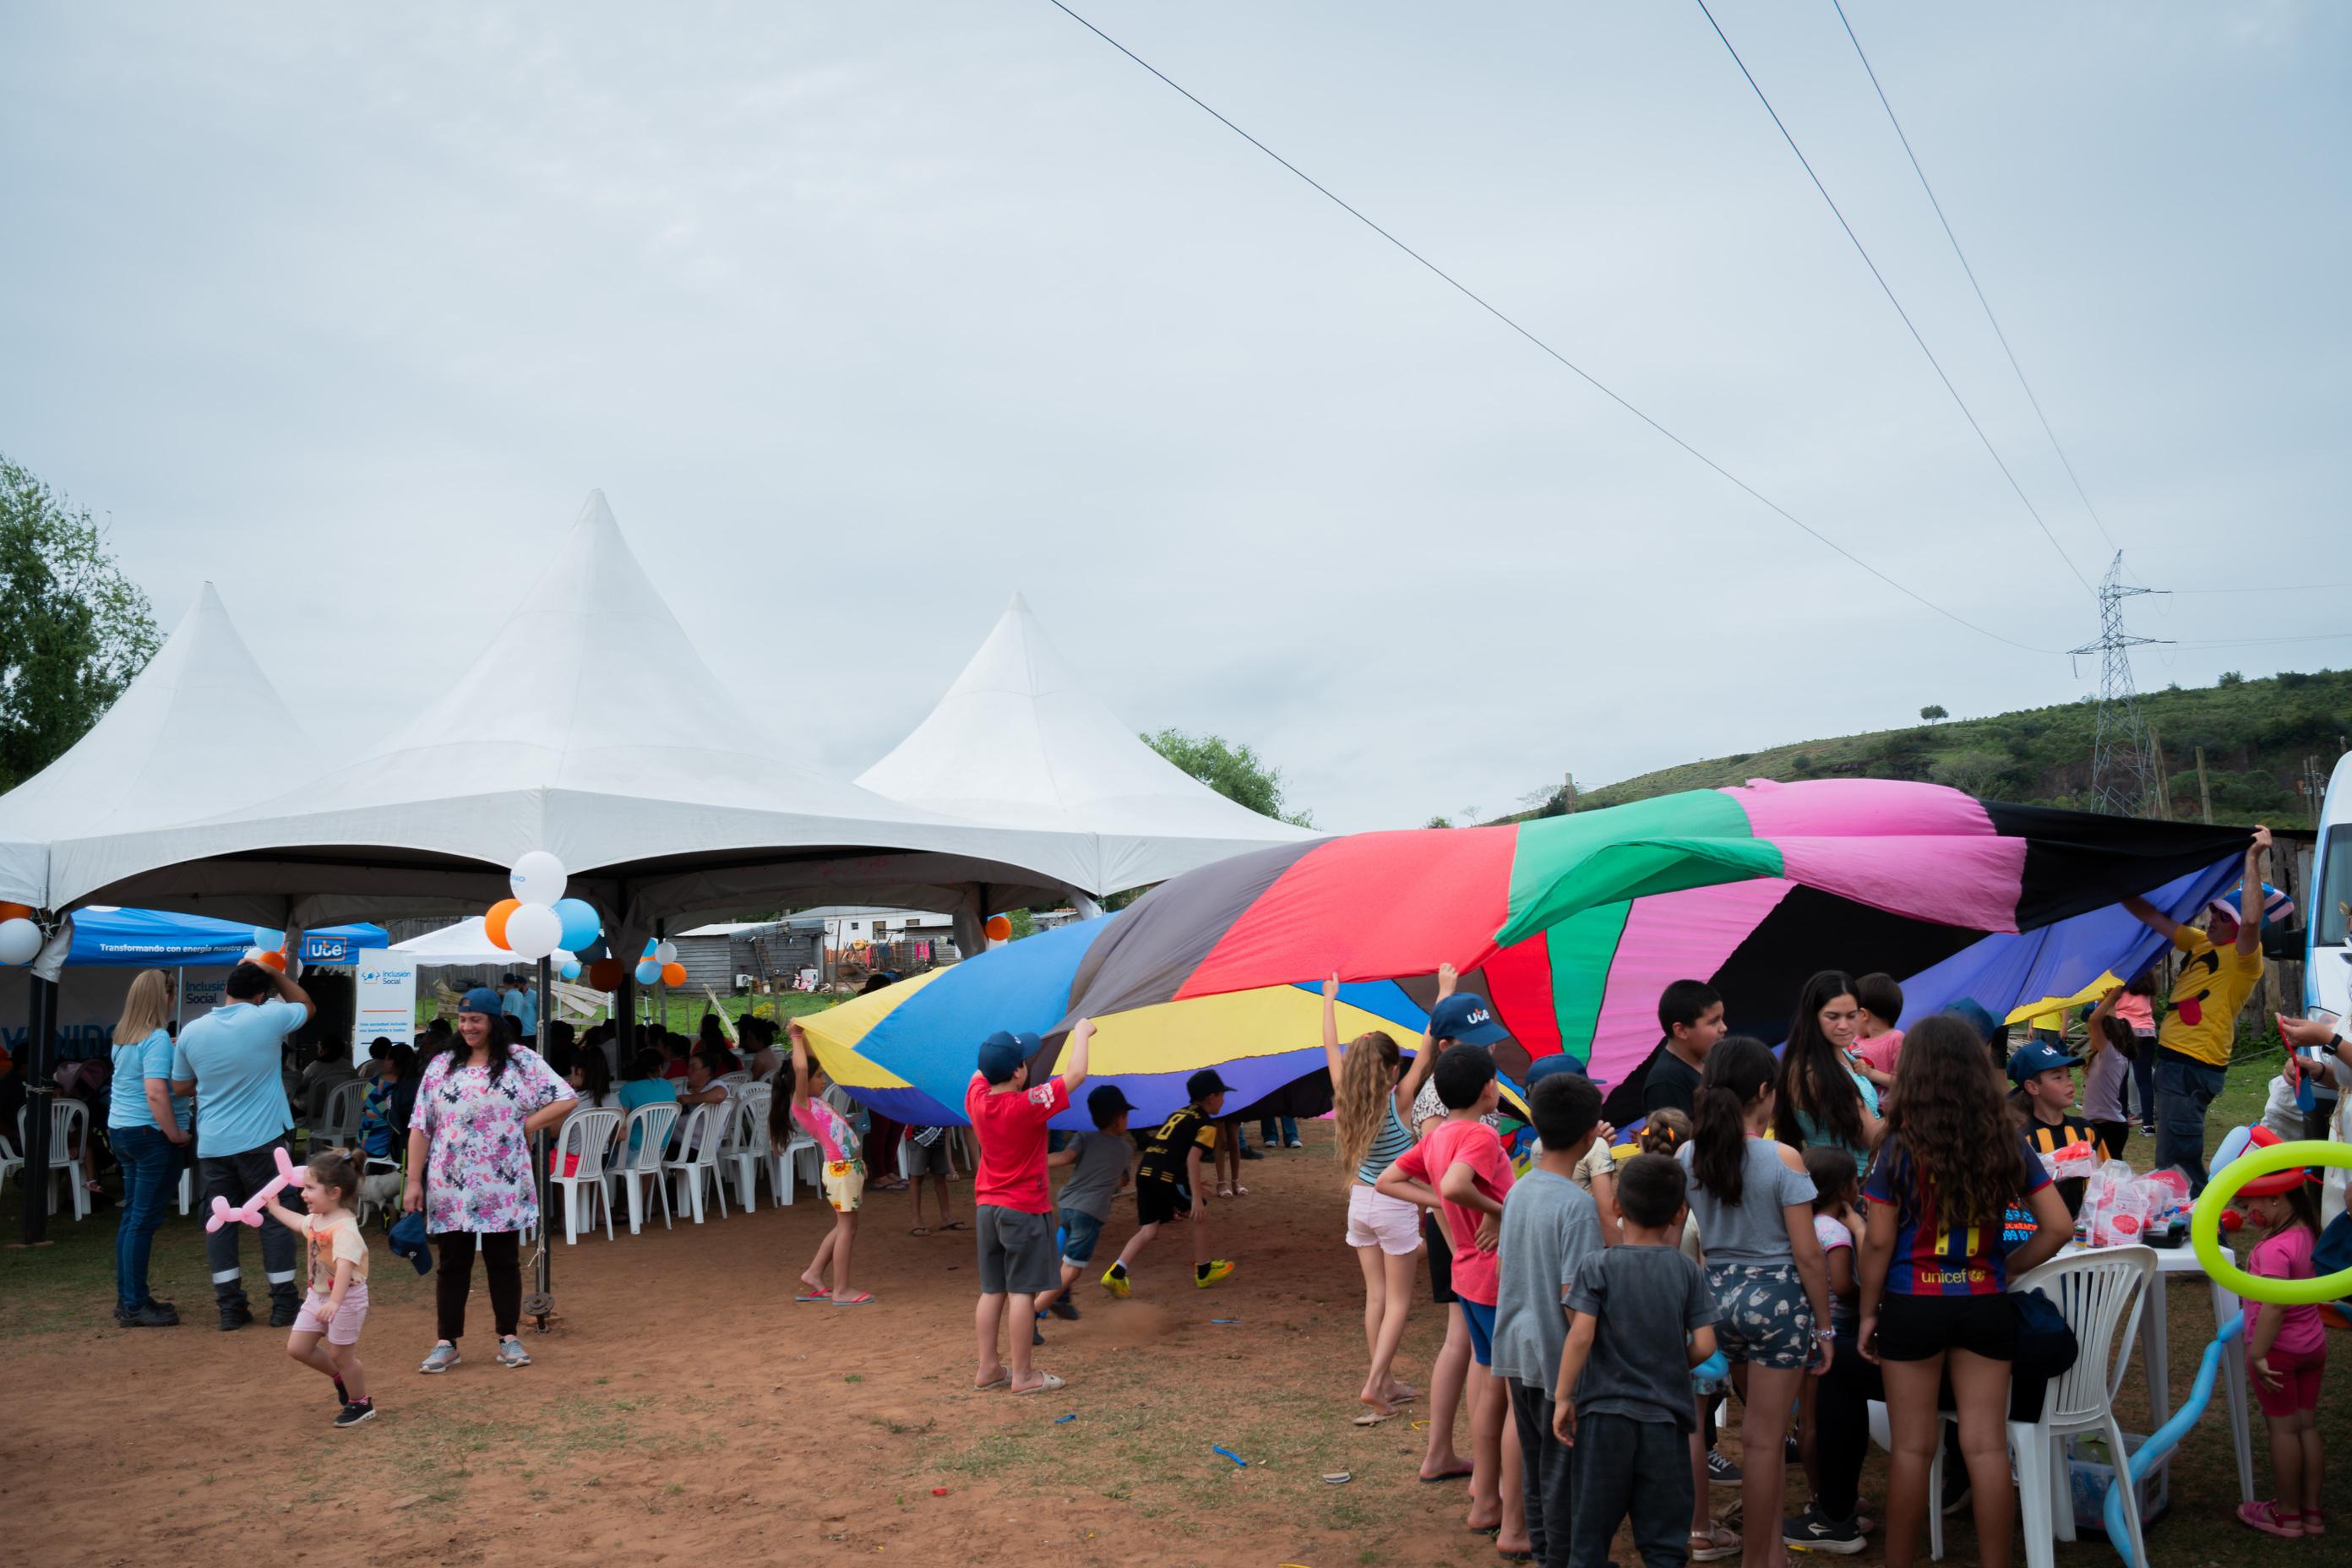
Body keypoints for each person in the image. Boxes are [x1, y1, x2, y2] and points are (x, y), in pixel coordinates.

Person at [1857, 1015, 2070, 1568]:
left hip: (1913, 1302)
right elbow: (2058, 1227)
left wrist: (1866, 1313)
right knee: (1985, 1446)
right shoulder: (2007, 1141)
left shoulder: (1897, 1146)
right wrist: (2004, 1269)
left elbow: (1878, 1243)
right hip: (1984, 1303)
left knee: (1911, 1449)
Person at [1679, 1034, 1834, 1568]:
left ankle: (1768, 1552)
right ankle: (1762, 1560)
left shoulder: (1688, 1154)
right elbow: (1809, 1254)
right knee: (1764, 1440)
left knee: (1748, 1435)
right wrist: (1825, 1326)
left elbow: (1679, 1238)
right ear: (1765, 1091)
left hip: (1715, 1300)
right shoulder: (1782, 1158)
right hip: (1779, 1305)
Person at [1379, 1046, 1524, 1553]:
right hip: (1495, 1278)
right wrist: (1498, 1209)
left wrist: (1441, 1199)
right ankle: (1497, 1499)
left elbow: (1388, 1179)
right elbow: (1461, 1184)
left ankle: (1485, 1495)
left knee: (1489, 1388)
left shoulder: (1439, 1136)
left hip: (1468, 1276)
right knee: (1509, 1397)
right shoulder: (1481, 1134)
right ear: (1490, 1088)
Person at [1554, 1152, 1720, 1568]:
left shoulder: (1597, 1266)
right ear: (1680, 1211)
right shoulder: (1686, 1271)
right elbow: (1705, 1344)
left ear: (1615, 1207)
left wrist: (1562, 1397)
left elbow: (1581, 1335)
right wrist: (1670, 1360)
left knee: (1590, 1537)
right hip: (1665, 1423)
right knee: (1664, 1543)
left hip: (1604, 1418)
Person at [404, 987, 575, 1373]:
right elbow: (421, 1126)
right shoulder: (442, 1065)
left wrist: (525, 1125)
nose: (468, 1027)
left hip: (503, 1182)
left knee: (503, 1261)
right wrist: (414, 1181)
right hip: (450, 1183)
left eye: (476, 1020)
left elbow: (565, 1097)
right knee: (452, 1263)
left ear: (493, 1022)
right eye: (463, 1020)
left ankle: (508, 1338)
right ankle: (446, 1342)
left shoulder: (520, 1062)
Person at [1490, 1070, 1607, 1568]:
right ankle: (1558, 1558)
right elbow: (1573, 1301)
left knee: (1541, 1471)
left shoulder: (1520, 1190)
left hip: (1517, 1351)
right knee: (1564, 1475)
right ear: (1589, 1136)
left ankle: (1544, 1554)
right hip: (1558, 1362)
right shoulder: (1579, 1208)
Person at [2121, 825, 2275, 1191]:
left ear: (2237, 927)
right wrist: (2115, 884)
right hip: (2175, 1061)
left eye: (2222, 916)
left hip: (2193, 1065)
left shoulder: (2244, 959)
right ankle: (2183, 1215)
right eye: (2213, 912)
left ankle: (2196, 1225)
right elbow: (2151, 917)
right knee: (2172, 1153)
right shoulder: (2202, 942)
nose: (2212, 919)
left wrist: (2253, 857)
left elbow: (2252, 919)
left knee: (2177, 1159)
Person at [172, 953, 317, 1331]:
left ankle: (230, 1308)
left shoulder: (192, 1031)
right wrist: (273, 970)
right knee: (276, 1216)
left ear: (225, 991)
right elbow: (306, 1005)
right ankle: (284, 1303)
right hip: (264, 1139)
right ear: (261, 996)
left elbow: (180, 1086)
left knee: (220, 1221)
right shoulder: (267, 1018)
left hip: (215, 1141)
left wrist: (213, 1080)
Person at [1403, 971, 1507, 1490]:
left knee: (1466, 1345)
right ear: (1447, 1048)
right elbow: (1441, 1176)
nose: (1487, 1053)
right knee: (1463, 1346)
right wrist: (1459, 1223)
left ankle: (1449, 1453)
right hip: (1463, 1237)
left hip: (1466, 1231)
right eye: (1477, 1043)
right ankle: (1449, 1453)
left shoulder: (1449, 1088)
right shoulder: (1438, 1101)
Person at [1324, 971, 1440, 1422]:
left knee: (1376, 1298)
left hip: (1361, 1206)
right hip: (1394, 1206)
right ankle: (1375, 1384)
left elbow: (1332, 1048)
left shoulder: (1344, 1097)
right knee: (1398, 1302)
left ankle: (1386, 1381)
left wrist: (1329, 1001)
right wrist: (1443, 996)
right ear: (1394, 1070)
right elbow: (1427, 1050)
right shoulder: (1401, 1099)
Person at [967, 1020, 1092, 1395]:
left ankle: (988, 1368)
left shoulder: (976, 1097)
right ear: (1019, 1072)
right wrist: (1081, 1033)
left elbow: (982, 1068)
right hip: (1023, 1209)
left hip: (987, 1208)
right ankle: (1023, 1376)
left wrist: (1000, 1049)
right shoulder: (1027, 1105)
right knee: (1022, 1292)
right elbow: (1077, 1074)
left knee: (993, 1291)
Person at [2232, 1150, 2327, 1538]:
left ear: (2273, 1196)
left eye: (2249, 1202)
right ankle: (2312, 1514)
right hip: (2313, 1347)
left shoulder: (2274, 1248)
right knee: (2306, 1426)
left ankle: (2286, 1516)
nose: (2246, 1213)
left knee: (2283, 1431)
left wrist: (2257, 1354)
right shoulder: (2307, 1231)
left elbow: (2274, 1304)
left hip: (2279, 1354)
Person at [262, 1147, 376, 1427]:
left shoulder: (345, 1230)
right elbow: (300, 1223)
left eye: (310, 1188)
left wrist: (335, 1303)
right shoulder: (318, 1219)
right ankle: (341, 1378)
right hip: (318, 1296)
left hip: (345, 1299)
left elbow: (345, 1268)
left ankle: (361, 1403)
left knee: (341, 1354)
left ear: (334, 1192)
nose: (303, 1194)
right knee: (298, 1348)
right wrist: (275, 1208)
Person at [1104, 1068, 1239, 1296]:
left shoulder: (1181, 1113)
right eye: (1221, 1095)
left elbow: (1171, 1150)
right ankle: (1204, 1270)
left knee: (1149, 1229)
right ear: (1211, 1098)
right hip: (1166, 1176)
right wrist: (1195, 1197)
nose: (1224, 1100)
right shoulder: (1206, 1125)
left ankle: (1116, 1273)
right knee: (1200, 1213)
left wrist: (1190, 1184)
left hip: (1146, 1172)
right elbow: (1192, 1158)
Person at [107, 970, 191, 1327]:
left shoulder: (124, 1037)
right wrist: (175, 1134)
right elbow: (156, 1092)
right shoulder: (156, 1038)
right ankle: (135, 1304)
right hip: (151, 1134)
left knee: (132, 1220)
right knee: (142, 1221)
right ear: (166, 996)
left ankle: (129, 1298)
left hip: (123, 1131)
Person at [766, 1020, 868, 1304]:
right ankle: (842, 1289)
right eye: (820, 1076)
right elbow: (801, 1067)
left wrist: (805, 1036)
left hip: (849, 1169)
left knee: (843, 1226)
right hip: (841, 1171)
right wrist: (796, 1035)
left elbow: (807, 1064)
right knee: (848, 1229)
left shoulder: (816, 1100)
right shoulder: (803, 1104)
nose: (823, 1080)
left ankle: (814, 1273)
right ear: (803, 1082)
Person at [1030, 1084, 1135, 1324]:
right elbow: (1122, 1179)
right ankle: (1031, 1314)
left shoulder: (1084, 1137)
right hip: (1089, 1213)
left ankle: (1061, 1297)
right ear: (1119, 1118)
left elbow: (1065, 1158)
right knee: (1073, 1268)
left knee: (1067, 1249)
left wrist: (1031, 1161)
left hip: (1068, 1205)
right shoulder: (1125, 1149)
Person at [1795, 1146, 1863, 1510]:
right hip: (1834, 1331)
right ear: (1844, 1190)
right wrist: (1869, 1296)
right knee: (1825, 1421)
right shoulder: (1836, 1231)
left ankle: (1818, 1493)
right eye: (1855, 1179)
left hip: (1805, 1327)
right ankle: (1829, 1497)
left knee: (1807, 1420)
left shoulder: (1802, 1225)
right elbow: (1842, 1286)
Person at [1775, 971, 1881, 1178]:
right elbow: (1873, 1135)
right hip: (1847, 1186)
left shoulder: (1841, 1054)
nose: (1843, 1025)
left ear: (1861, 1014)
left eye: (1851, 1016)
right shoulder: (1813, 1071)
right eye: (1833, 1017)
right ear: (1813, 1017)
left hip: (1862, 1178)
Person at [2007, 1037, 2108, 1217]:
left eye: (2069, 1075)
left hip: (2085, 1233)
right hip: (2039, 1235)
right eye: (2058, 1077)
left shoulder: (2086, 1131)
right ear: (2033, 1087)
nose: (2069, 1083)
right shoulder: (2021, 1138)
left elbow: (2107, 1181)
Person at [1645, 979, 1727, 1120]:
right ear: (1681, 1030)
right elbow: (1672, 1138)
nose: (1724, 1028)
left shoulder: (1709, 1061)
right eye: (1714, 1021)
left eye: (1722, 1019)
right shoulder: (1666, 1082)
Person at [2078, 988, 2136, 1162]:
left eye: (2094, 1033)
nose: (2092, 1036)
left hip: (2109, 1127)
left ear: (2106, 1035)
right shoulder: (2106, 1056)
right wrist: (2109, 1001)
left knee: (2109, 1174)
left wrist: (2111, 999)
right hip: (2098, 1123)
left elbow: (2095, 1020)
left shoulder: (2111, 1056)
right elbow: (2107, 1023)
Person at [2115, 968, 2159, 1135]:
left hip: (2124, 1030)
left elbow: (2112, 1004)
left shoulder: (2121, 977)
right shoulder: (2149, 981)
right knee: (2144, 1080)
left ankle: (2122, 1119)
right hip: (2147, 1031)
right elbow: (2152, 1006)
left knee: (2122, 1077)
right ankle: (2148, 1125)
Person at [903, 1120, 963, 1236]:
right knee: (916, 1178)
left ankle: (946, 1216)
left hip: (938, 1134)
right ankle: (916, 1220)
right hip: (918, 1134)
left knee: (940, 1177)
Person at [1848, 972, 1904, 1085]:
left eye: (1852, 1014)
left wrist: (1870, 1073)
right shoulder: (1855, 1040)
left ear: (1863, 1014)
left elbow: (1904, 1083)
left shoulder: (1896, 1039)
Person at [499, 972, 539, 1037]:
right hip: (519, 1031)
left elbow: (507, 1014)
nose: (516, 987)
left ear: (524, 984)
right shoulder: (518, 995)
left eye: (517, 985)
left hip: (530, 1031)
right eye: (515, 985)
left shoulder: (534, 995)